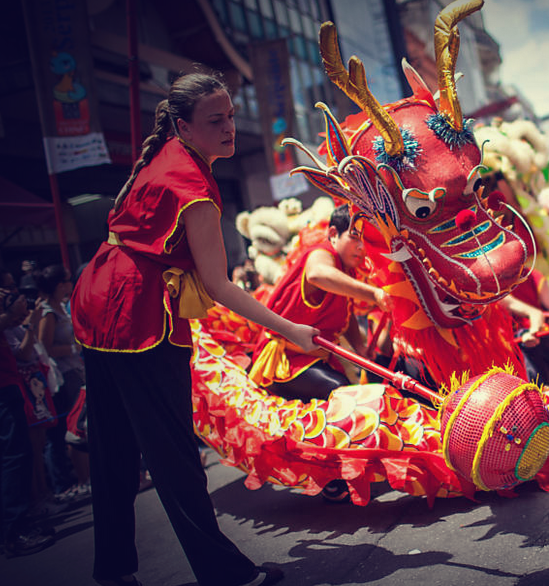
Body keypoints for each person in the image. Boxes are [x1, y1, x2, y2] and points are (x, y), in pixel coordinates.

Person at [70, 72, 318, 586]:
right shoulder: (192, 186)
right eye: (216, 120)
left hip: (98, 297)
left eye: (230, 115)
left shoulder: (168, 158)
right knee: (173, 453)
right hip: (133, 312)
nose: (230, 127)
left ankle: (113, 571)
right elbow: (220, 286)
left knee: (115, 447)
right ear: (183, 126)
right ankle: (225, 574)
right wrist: (289, 328)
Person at [248, 205, 390, 402]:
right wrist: (375, 294)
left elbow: (345, 316)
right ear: (333, 233)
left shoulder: (346, 268)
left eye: (365, 240)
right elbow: (317, 274)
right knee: (343, 395)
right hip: (285, 360)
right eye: (354, 237)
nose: (361, 247)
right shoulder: (321, 253)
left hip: (315, 357)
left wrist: (360, 348)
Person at [0, 282, 55, 557]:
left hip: (10, 384)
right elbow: (22, 349)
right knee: (14, 457)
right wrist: (16, 316)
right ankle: (14, 531)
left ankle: (19, 524)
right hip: (3, 386)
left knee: (18, 454)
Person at [35, 264, 87, 499]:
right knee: (71, 429)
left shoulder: (60, 307)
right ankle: (66, 484)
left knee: (78, 426)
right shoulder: (48, 312)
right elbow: (44, 349)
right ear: (59, 285)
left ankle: (79, 478)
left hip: (74, 371)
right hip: (63, 377)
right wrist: (73, 347)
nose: (70, 283)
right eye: (66, 280)